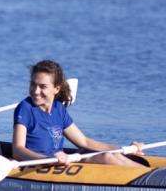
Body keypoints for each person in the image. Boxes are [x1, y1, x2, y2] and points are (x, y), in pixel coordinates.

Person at [13, 60, 143, 167]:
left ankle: (148, 175)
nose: (36, 91)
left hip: (60, 161)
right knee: (106, 158)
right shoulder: (25, 108)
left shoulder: (58, 109)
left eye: (43, 86)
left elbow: (84, 141)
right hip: (40, 164)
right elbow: (18, 150)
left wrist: (123, 149)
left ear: (56, 89)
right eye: (33, 84)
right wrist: (48, 160)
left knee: (110, 155)